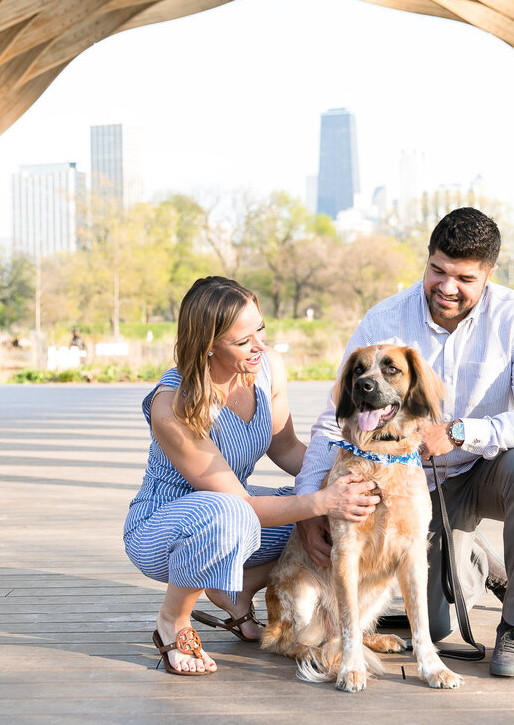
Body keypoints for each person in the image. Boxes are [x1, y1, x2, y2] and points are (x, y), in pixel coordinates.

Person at [294, 207, 514, 678]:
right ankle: (478, 558)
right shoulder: (384, 319)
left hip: (484, 469)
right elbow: (332, 420)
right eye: (437, 270)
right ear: (427, 260)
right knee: (438, 625)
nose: (446, 287)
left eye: (463, 277)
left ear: (488, 274)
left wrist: (462, 430)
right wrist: (309, 505)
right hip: (414, 487)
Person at [123, 276, 381, 676]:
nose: (260, 344)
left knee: (315, 507)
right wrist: (320, 501)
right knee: (241, 514)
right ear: (208, 343)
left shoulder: (266, 368)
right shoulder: (172, 406)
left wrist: (358, 473)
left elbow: (288, 449)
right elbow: (240, 505)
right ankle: (173, 621)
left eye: (260, 328)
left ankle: (239, 587)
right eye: (244, 340)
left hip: (231, 512)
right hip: (161, 528)